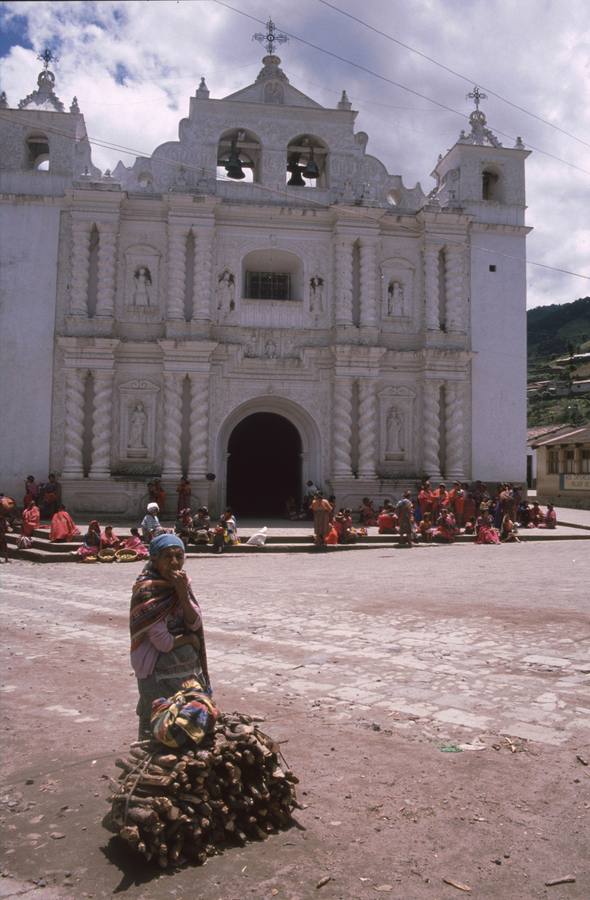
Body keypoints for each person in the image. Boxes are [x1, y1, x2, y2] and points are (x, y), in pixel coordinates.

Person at [129, 533, 211, 739]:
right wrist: (189, 640)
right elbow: (163, 642)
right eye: (168, 556)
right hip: (157, 672)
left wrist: (182, 594)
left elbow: (194, 622)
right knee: (158, 722)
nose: (175, 563)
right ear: (154, 559)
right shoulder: (147, 590)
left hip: (187, 672)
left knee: (188, 721)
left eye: (179, 556)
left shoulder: (182, 585)